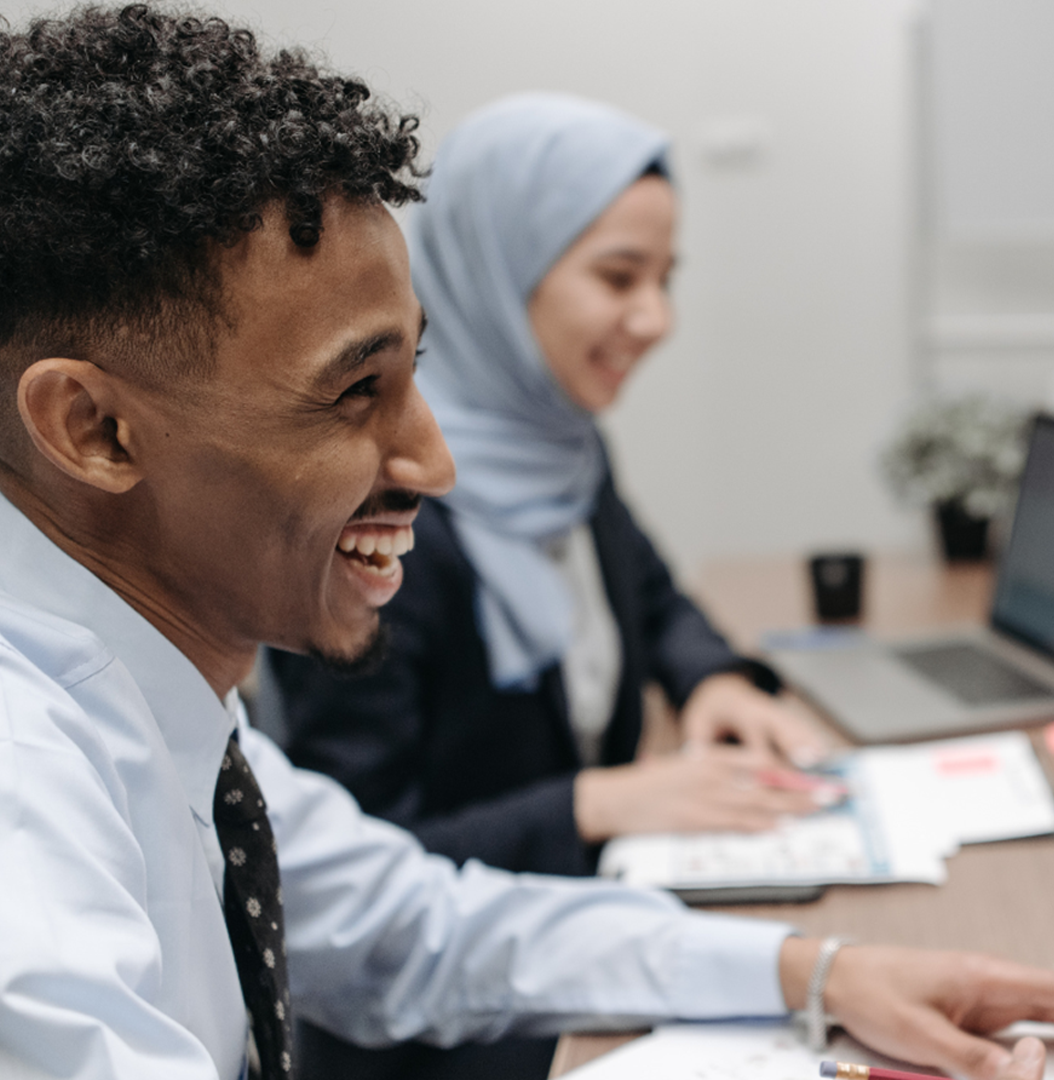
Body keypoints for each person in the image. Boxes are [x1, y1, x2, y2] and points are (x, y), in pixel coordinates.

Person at [0, 8, 1054, 1079]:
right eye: (355, 394)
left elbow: (419, 931)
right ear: (97, 427)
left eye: (420, 374)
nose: (434, 462)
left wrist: (822, 972)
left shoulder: (158, 708)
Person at [259, 89, 841, 1080]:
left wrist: (714, 683)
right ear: (501, 267)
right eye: (619, 276)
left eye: (665, 278)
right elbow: (364, 858)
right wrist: (597, 802)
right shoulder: (377, 514)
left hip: (570, 930)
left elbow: (650, 595)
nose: (655, 319)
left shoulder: (558, 446)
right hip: (440, 1022)